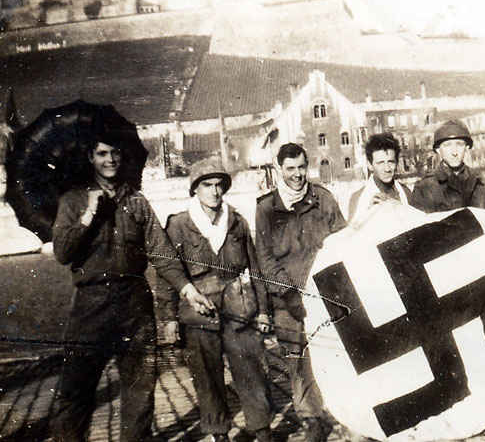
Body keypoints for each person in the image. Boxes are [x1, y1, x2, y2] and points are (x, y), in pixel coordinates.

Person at [50, 132, 212, 442]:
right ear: (90, 158)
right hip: (90, 305)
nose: (110, 160)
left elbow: (162, 253)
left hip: (134, 305)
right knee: (76, 391)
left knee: (140, 390)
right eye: (101, 153)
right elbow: (62, 253)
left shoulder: (136, 201)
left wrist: (187, 290)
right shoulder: (73, 200)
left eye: (115, 153)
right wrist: (88, 215)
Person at [163, 157, 274, 442]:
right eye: (207, 185)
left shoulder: (236, 222)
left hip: (240, 310)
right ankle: (218, 434)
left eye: (219, 185)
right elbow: (166, 274)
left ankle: (261, 431)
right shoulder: (179, 225)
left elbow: (257, 270)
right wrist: (168, 318)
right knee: (207, 380)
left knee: (252, 373)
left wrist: (263, 311)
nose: (214, 191)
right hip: (199, 314)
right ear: (195, 190)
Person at [255, 143, 346, 442]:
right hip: (288, 301)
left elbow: (343, 241)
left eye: (301, 167)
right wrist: (289, 293)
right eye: (290, 169)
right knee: (297, 360)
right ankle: (311, 420)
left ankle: (342, 414)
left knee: (334, 354)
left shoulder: (324, 199)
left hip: (324, 293)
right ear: (280, 169)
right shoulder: (266, 208)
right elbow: (265, 258)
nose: (297, 175)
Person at [410, 119, 485, 212]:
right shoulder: (425, 187)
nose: (454, 152)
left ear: (466, 148)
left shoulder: (479, 182)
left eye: (459, 144)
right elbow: (419, 224)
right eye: (447, 145)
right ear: (438, 150)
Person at [347, 133, 412, 223]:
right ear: (370, 165)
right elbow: (351, 233)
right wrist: (368, 212)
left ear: (396, 163)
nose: (387, 169)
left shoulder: (405, 192)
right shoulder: (358, 198)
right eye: (380, 163)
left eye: (391, 162)